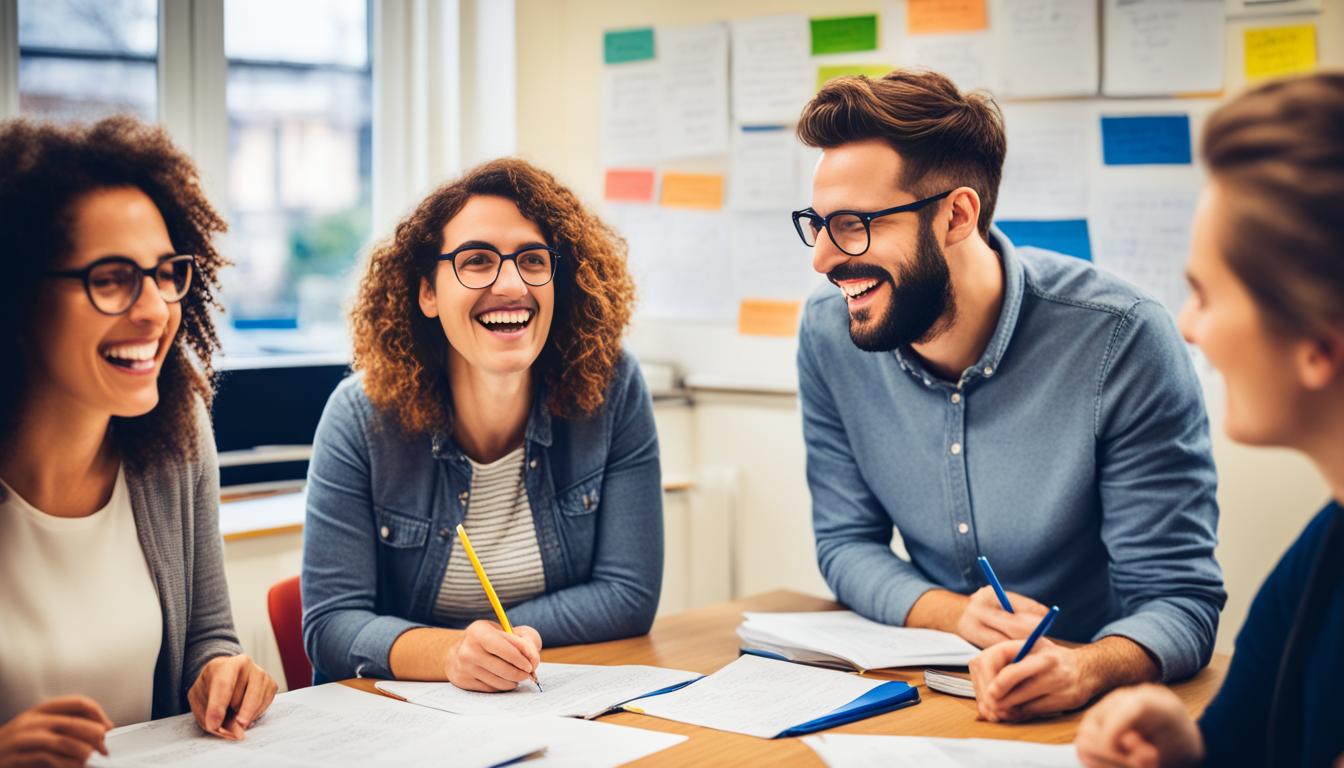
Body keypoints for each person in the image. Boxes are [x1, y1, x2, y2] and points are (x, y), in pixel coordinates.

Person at [793, 69, 1226, 721]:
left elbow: (1178, 597)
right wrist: (958, 614)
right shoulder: (827, 333)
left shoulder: (1122, 339)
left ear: (957, 215)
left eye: (853, 224)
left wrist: (1087, 666)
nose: (823, 259)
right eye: (818, 224)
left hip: (1091, 714)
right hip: (925, 696)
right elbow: (845, 544)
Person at [302, 158, 662, 691]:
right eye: (476, 261)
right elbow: (330, 625)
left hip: (549, 705)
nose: (511, 284)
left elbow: (628, 594)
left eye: (532, 260)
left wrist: (500, 644)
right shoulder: (359, 417)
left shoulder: (613, 388)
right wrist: (452, 652)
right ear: (427, 291)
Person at [1075, 73, 1344, 768]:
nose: (1188, 328)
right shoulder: (1325, 550)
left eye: (1205, 293)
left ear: (1319, 345)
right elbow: (1245, 743)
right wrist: (1183, 750)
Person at [0, 116, 277, 766]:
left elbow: (209, 635)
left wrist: (225, 673)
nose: (154, 309)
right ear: (17, 299)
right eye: (112, 278)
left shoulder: (176, 445)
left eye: (164, 273)